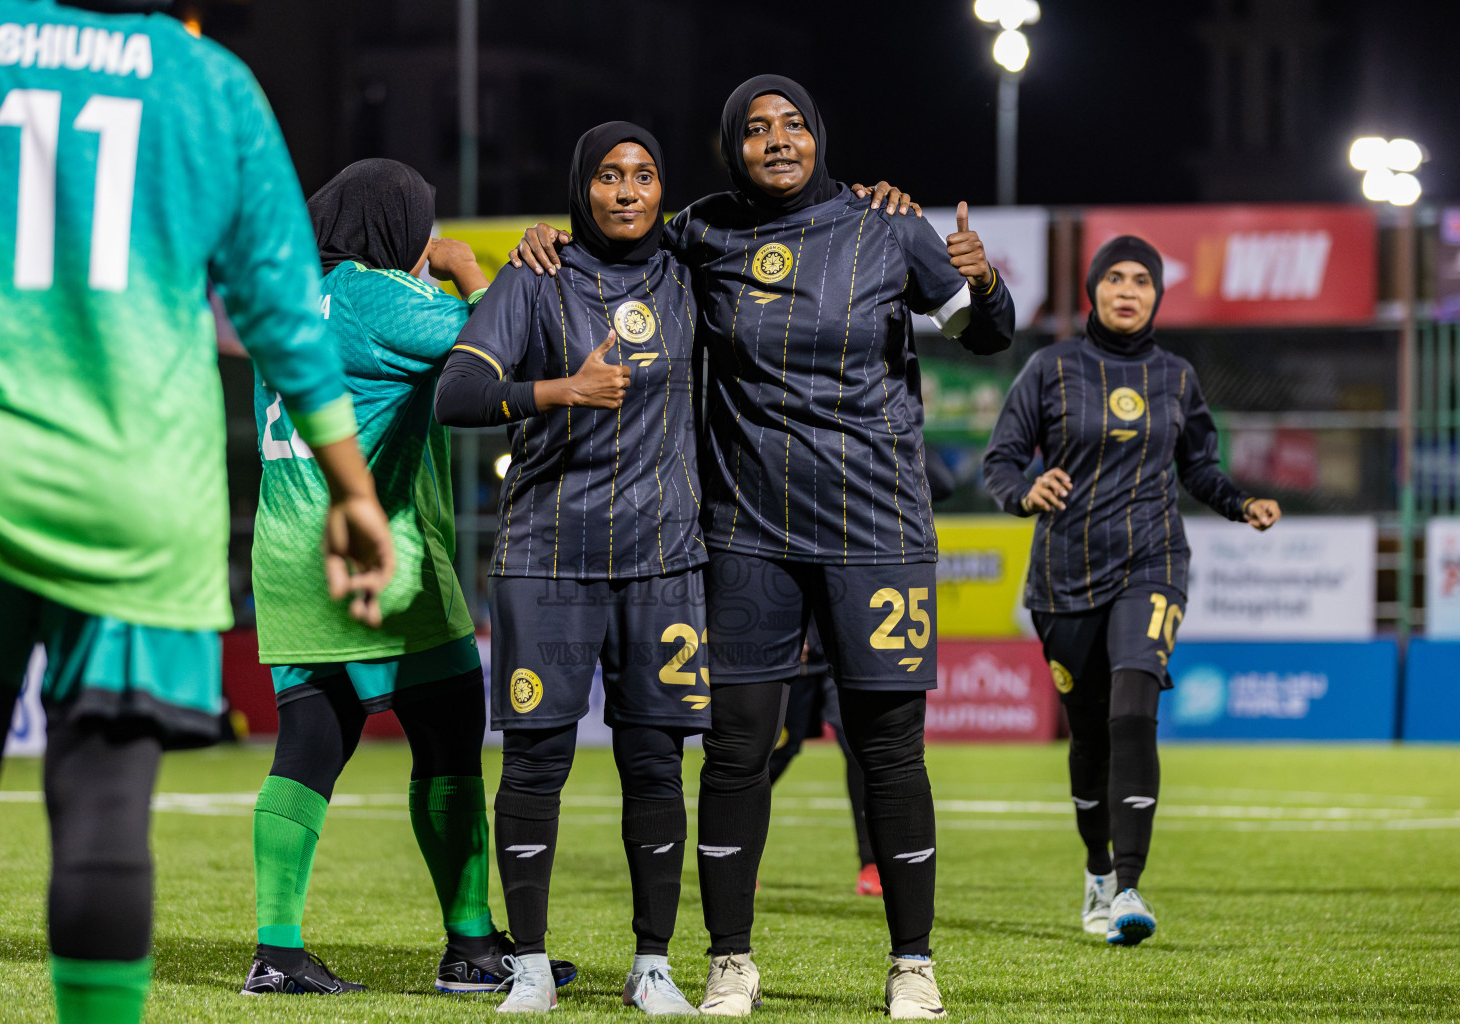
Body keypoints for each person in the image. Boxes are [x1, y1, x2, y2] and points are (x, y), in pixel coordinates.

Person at [0, 3, 395, 1022]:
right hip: (141, 494)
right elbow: (283, 308)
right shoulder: (209, 82)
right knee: (103, 811)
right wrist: (354, 490)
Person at [514, 74, 1014, 1019]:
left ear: (819, 134)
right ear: (732, 147)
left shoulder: (889, 226)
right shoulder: (703, 232)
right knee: (737, 749)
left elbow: (984, 336)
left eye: (791, 125)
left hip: (879, 530)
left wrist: (983, 280)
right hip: (747, 532)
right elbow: (610, 242)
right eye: (755, 129)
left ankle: (914, 965)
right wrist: (542, 236)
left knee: (889, 749)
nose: (776, 140)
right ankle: (730, 959)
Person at [242, 159, 573, 997]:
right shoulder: (372, 297)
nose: (426, 236)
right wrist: (465, 268)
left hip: (290, 553)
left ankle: (276, 954)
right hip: (376, 560)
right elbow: (509, 344)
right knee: (452, 730)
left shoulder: (294, 295)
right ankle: (470, 948)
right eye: (419, 221)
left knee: (310, 743)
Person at [435, 122, 709, 1016]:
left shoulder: (690, 274)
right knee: (535, 763)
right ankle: (530, 965)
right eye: (607, 176)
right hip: (546, 558)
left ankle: (653, 964)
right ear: (580, 189)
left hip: (665, 559)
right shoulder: (534, 275)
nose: (626, 192)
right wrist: (561, 391)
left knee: (655, 764)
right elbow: (458, 393)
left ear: (663, 189)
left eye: (643, 176)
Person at [982, 235, 1282, 946]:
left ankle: (1128, 885)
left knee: (1132, 706)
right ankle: (1095, 867)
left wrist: (1241, 503)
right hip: (1063, 578)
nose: (1126, 289)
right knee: (1089, 739)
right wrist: (1026, 491)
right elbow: (1000, 461)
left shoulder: (1175, 377)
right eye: (1113, 277)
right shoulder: (1049, 370)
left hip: (1153, 564)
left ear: (1156, 296)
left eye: (1140, 280)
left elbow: (1199, 468)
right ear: (1093, 289)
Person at [765, 627, 879, 896]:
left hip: (844, 653)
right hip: (791, 653)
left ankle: (871, 865)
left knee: (859, 751)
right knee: (773, 753)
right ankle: (736, 855)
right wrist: (796, 627)